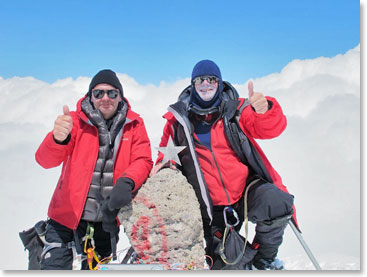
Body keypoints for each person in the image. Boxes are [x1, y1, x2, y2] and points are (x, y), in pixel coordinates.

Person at [150, 60, 296, 270]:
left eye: (212, 79)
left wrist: (266, 111)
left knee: (277, 201)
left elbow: (270, 130)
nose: (206, 84)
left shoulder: (236, 111)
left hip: (244, 193)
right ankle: (240, 256)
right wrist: (167, 167)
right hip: (211, 209)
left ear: (219, 83)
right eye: (200, 80)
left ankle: (264, 260)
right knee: (227, 267)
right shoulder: (178, 121)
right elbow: (166, 154)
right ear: (193, 85)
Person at [35, 69, 153, 269]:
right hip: (65, 219)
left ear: (120, 96)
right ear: (90, 96)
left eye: (112, 93)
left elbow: (143, 159)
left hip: (105, 224)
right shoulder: (74, 122)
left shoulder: (134, 125)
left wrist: (128, 181)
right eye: (98, 93)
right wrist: (57, 139)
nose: (105, 98)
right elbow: (44, 161)